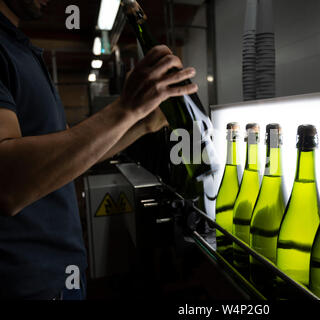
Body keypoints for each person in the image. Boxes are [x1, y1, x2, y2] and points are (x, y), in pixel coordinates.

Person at [0, 0, 198, 299]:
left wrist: (141, 122)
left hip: (59, 281)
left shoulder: (20, 49)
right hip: (25, 286)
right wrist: (125, 110)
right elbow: (6, 183)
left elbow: (67, 147)